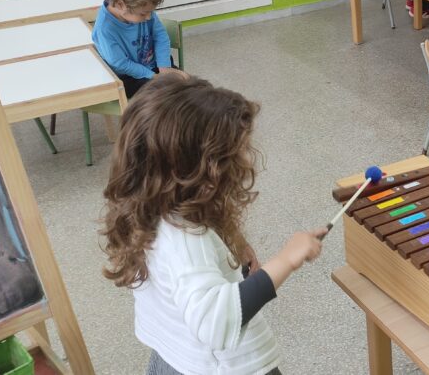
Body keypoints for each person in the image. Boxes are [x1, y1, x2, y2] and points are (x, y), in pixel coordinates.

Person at [100, 75, 328, 374]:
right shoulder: (185, 238)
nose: (246, 159)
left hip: (174, 355)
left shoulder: (148, 207)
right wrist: (287, 260)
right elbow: (215, 322)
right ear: (200, 169)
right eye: (236, 153)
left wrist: (232, 246)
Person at [92, 0, 185, 98]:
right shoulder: (105, 29)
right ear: (120, 5)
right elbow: (121, 64)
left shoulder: (140, 9)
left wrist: (164, 67)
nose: (149, 17)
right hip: (129, 76)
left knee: (187, 85)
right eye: (143, 13)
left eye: (150, 12)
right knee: (168, 96)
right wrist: (154, 76)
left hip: (155, 64)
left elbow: (160, 36)